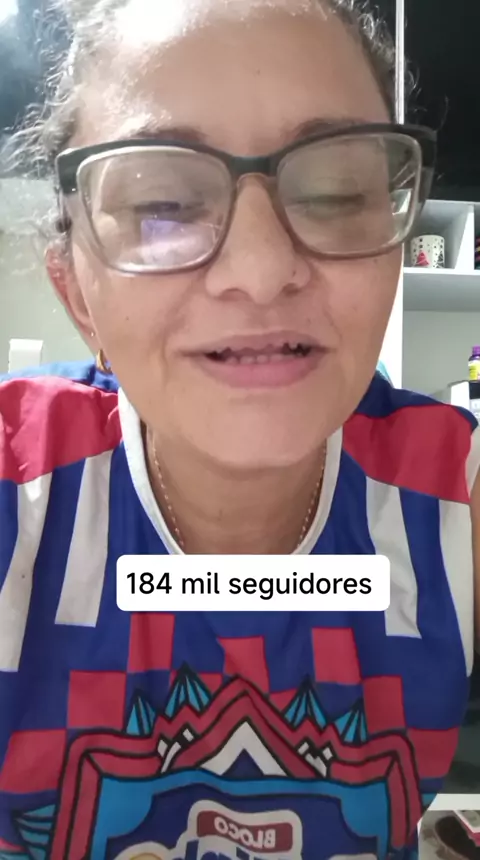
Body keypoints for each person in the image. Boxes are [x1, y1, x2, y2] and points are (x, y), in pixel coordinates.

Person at [0, 0, 479, 857]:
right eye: (164, 205)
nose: (260, 271)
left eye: (335, 194)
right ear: (77, 294)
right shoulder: (18, 494)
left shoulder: (457, 501)